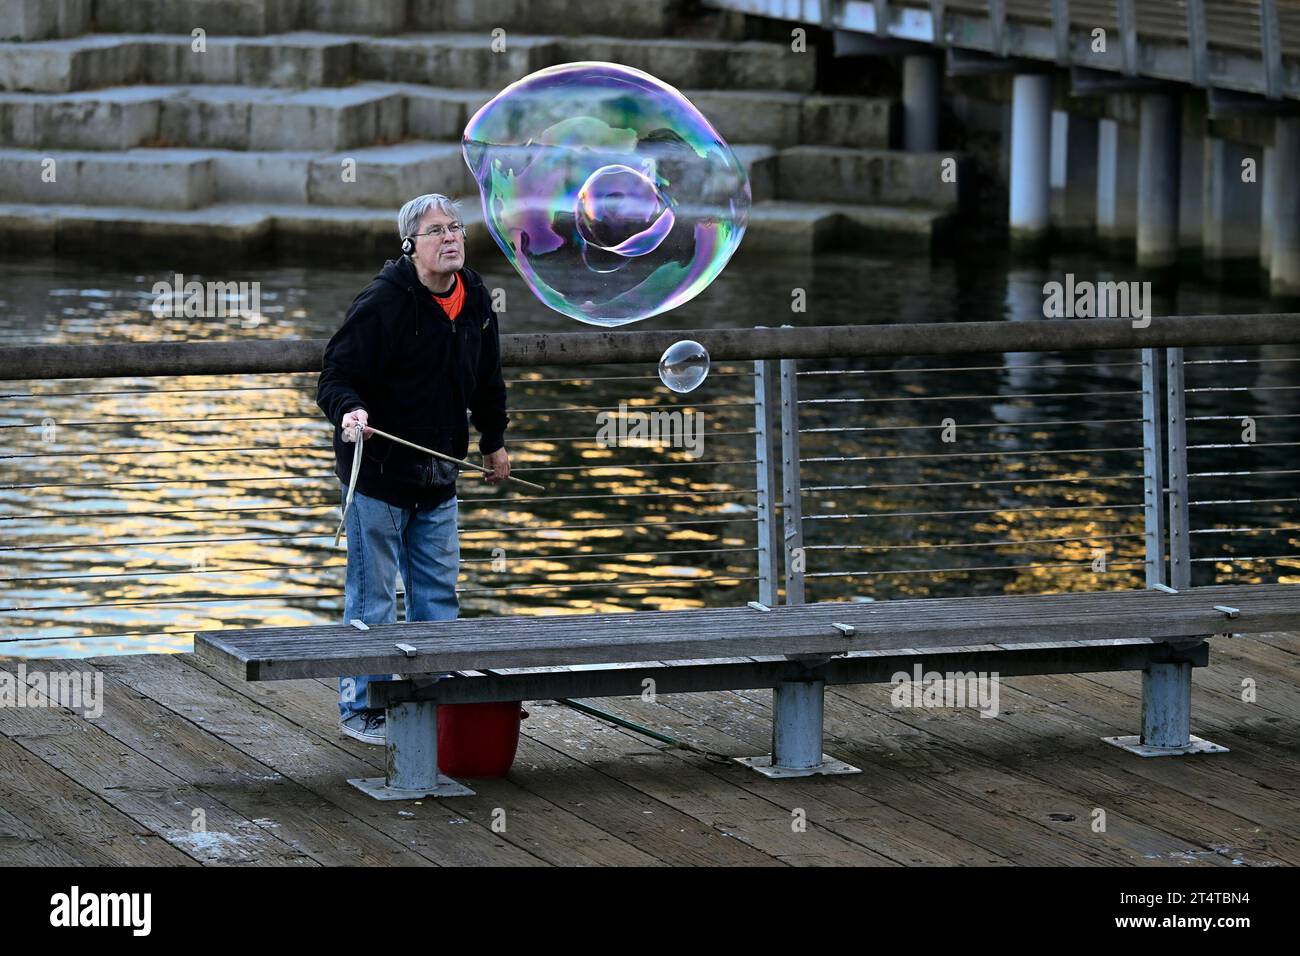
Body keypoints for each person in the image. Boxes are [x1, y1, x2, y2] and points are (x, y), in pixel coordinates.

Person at [315, 193, 510, 744]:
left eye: (456, 228)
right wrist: (350, 411)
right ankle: (363, 709)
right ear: (411, 245)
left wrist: (494, 441)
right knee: (372, 600)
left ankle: (433, 701)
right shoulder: (382, 302)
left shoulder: (474, 297)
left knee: (437, 599)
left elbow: (489, 379)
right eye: (436, 231)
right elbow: (334, 377)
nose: (451, 238)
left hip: (440, 479)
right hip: (376, 476)